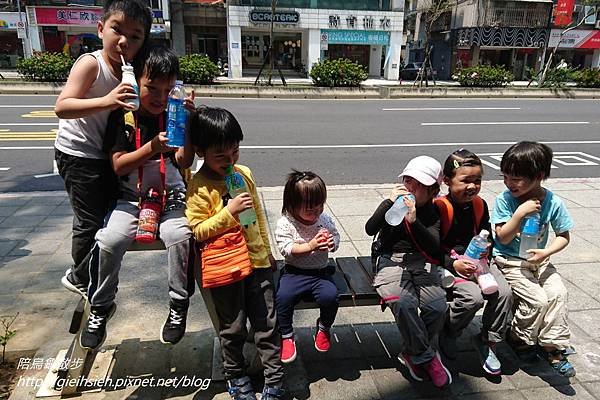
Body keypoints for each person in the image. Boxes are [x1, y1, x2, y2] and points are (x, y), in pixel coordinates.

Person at [80, 45, 196, 350]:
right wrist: (151, 150)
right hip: (131, 199)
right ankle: (101, 306)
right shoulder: (125, 117)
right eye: (152, 88)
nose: (160, 97)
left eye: (168, 89)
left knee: (180, 234)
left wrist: (189, 127)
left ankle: (178, 304)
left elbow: (184, 163)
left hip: (171, 199)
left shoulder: (174, 114)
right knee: (109, 239)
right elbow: (118, 166)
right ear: (137, 83)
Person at [54, 0, 153, 297]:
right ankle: (80, 276)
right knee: (89, 221)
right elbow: (62, 107)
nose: (124, 41)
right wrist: (108, 100)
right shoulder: (91, 64)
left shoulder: (131, 68)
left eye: (135, 36)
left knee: (106, 217)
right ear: (100, 29)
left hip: (106, 153)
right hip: (78, 154)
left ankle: (93, 272)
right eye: (117, 30)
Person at [185, 107, 285, 400]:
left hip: (257, 263)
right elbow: (198, 230)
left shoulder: (245, 174)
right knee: (233, 327)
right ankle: (235, 375)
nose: (230, 162)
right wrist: (228, 213)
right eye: (221, 157)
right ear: (201, 151)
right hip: (226, 268)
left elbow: (257, 217)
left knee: (267, 324)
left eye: (235, 153)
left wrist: (267, 252)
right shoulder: (199, 185)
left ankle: (275, 379)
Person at [365, 155, 451, 388]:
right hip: (390, 261)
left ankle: (412, 353)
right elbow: (369, 229)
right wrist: (387, 203)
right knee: (402, 301)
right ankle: (427, 357)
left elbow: (433, 247)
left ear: (433, 190)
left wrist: (414, 222)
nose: (411, 187)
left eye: (419, 184)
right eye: (408, 180)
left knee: (437, 306)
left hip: (421, 263)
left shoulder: (433, 211)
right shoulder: (394, 203)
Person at [491, 141, 575, 377]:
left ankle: (552, 345)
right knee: (537, 300)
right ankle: (519, 339)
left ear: (538, 176)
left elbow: (563, 236)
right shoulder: (505, 200)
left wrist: (546, 252)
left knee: (559, 294)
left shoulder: (553, 202)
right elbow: (503, 238)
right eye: (505, 176)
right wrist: (520, 213)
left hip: (539, 260)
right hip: (509, 260)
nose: (509, 183)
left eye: (516, 178)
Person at [437, 149, 513, 376]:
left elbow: (486, 231)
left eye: (477, 180)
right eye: (465, 180)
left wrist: (486, 251)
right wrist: (453, 265)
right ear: (447, 181)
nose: (472, 186)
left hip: (477, 262)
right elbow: (429, 246)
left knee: (505, 293)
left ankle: (488, 340)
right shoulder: (440, 207)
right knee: (472, 298)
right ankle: (448, 332)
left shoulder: (480, 204)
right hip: (448, 265)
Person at [275, 170, 340, 363]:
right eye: (310, 209)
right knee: (282, 298)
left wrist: (332, 243)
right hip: (294, 273)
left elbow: (336, 236)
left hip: (320, 273)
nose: (316, 212)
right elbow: (285, 249)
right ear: (292, 205)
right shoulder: (286, 223)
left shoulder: (325, 220)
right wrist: (310, 246)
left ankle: (324, 327)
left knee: (331, 297)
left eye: (319, 207)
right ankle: (286, 335)